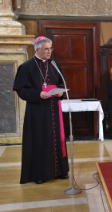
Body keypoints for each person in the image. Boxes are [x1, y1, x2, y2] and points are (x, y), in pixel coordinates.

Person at [12, 36, 69, 184]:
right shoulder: (26, 67)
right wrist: (38, 94)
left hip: (54, 109)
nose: (49, 52)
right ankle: (40, 174)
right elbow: (21, 90)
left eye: (51, 48)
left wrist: (61, 92)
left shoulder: (55, 64)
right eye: (46, 49)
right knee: (41, 140)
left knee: (57, 138)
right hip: (38, 110)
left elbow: (61, 82)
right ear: (37, 49)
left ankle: (60, 171)